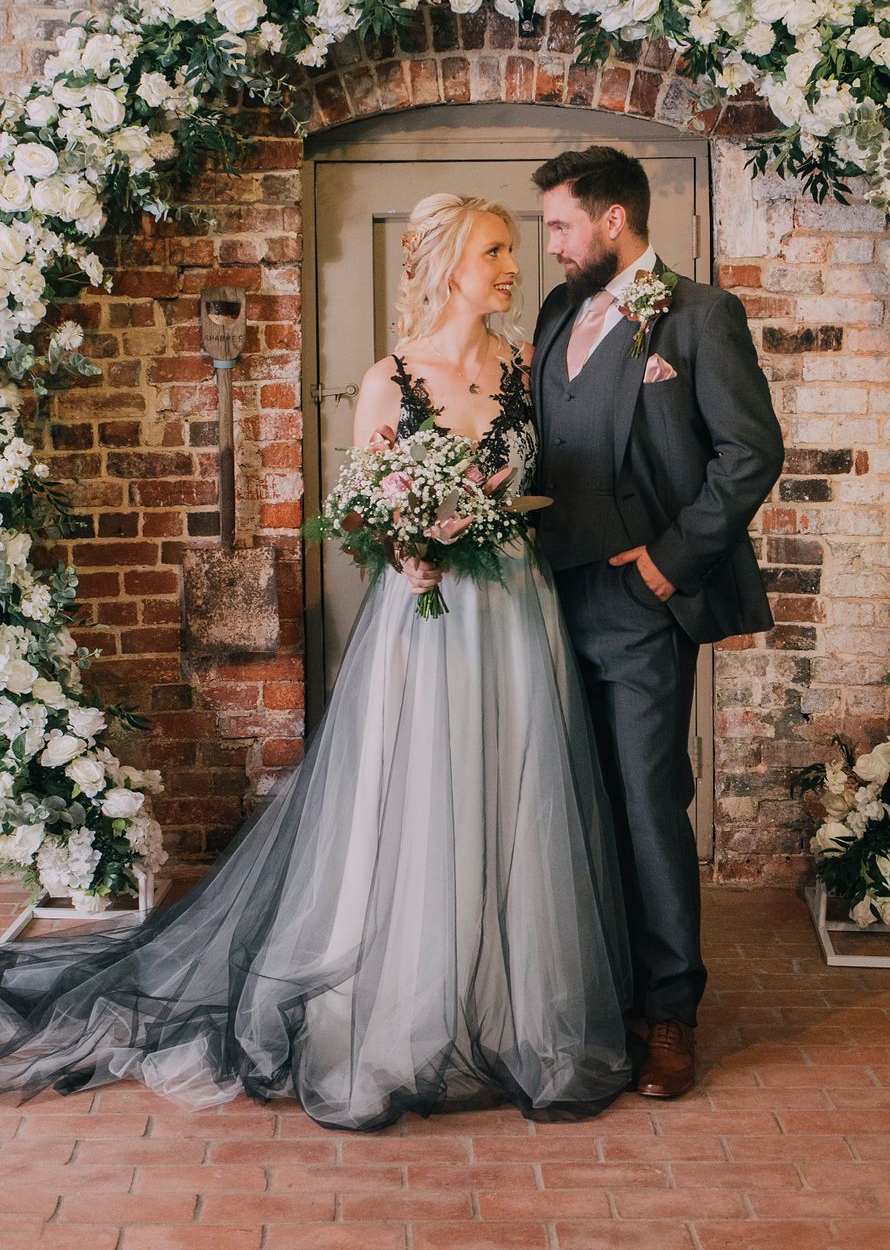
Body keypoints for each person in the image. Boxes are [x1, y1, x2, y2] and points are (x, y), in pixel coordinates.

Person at [0, 193, 635, 1131]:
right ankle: (396, 1011)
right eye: (497, 250)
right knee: (420, 797)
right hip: (426, 621)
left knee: (514, 793)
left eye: (512, 249)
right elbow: (366, 515)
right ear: (452, 262)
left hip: (515, 611)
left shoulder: (523, 366)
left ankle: (509, 1005)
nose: (513, 266)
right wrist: (408, 543)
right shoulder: (389, 379)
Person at [531, 147, 785, 1099]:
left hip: (640, 604)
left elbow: (750, 452)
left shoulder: (700, 314)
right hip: (546, 597)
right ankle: (603, 993)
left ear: (611, 221)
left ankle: (670, 1011)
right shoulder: (559, 313)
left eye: (561, 224)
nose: (550, 245)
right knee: (576, 802)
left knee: (646, 805)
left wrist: (668, 561)